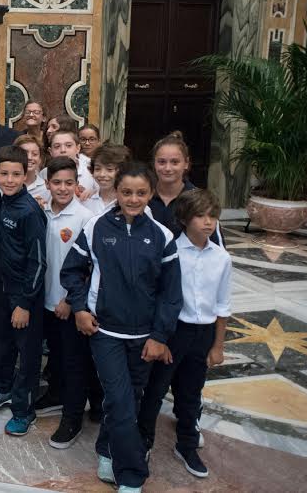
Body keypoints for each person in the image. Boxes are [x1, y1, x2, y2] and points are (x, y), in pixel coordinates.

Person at [61, 162, 182, 492]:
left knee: (129, 401)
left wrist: (159, 336)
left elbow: (171, 294)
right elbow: (72, 271)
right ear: (116, 191)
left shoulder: (162, 236)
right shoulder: (96, 227)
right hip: (105, 333)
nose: (133, 199)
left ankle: (106, 449)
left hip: (144, 338)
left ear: (151, 194)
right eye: (126, 192)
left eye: (141, 193)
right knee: (120, 399)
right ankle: (131, 475)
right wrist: (80, 308)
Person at [137, 188, 231, 479]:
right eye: (200, 216)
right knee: (155, 390)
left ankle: (187, 445)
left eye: (212, 216)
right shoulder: (171, 252)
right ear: (185, 219)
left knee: (191, 392)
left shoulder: (222, 258)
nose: (208, 222)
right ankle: (143, 443)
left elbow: (223, 305)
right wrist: (161, 338)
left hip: (203, 335)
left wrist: (217, 346)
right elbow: (158, 298)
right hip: (174, 331)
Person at [0, 146, 47, 438]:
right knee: (3, 344)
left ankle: (24, 410)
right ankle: (2, 388)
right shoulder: (0, 200)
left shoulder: (29, 211)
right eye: (4, 173)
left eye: (16, 174)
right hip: (3, 289)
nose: (9, 180)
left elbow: (38, 262)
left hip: (24, 294)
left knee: (27, 355)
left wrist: (25, 304)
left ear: (25, 175)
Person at [38, 157, 101, 449]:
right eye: (57, 183)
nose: (62, 188)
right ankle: (55, 394)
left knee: (75, 362)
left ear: (77, 184)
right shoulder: (41, 212)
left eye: (68, 183)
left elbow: (89, 266)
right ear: (47, 184)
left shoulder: (85, 218)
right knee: (56, 357)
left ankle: (72, 418)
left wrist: (70, 300)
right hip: (45, 300)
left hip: (70, 304)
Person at [149, 132, 224, 245]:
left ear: (186, 163)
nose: (167, 168)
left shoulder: (199, 200)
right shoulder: (142, 197)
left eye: (175, 162)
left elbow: (217, 247)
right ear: (154, 163)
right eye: (162, 162)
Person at [43, 130, 98, 200]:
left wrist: (93, 193)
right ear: (50, 151)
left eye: (68, 145)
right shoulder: (44, 173)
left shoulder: (91, 171)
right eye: (57, 146)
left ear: (78, 148)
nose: (63, 150)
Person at [84, 144, 131, 215]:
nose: (102, 174)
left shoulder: (133, 204)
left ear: (123, 171)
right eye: (97, 169)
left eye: (109, 169)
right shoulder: (86, 201)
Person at [13, 134, 50, 207]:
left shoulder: (46, 189)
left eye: (35, 154)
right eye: (24, 153)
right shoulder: (6, 184)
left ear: (40, 159)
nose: (29, 157)